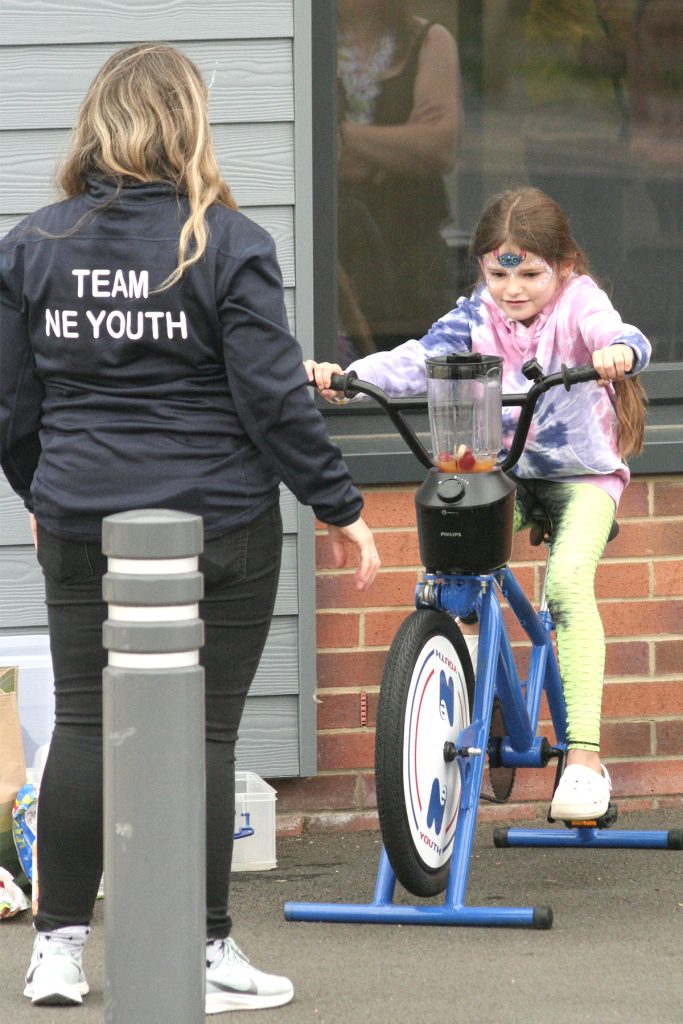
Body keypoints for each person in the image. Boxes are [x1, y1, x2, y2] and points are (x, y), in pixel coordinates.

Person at [0, 44, 380, 1013]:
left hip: (86, 516)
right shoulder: (228, 242)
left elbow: (11, 403)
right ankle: (204, 950)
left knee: (84, 721)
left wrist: (44, 493)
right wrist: (338, 504)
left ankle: (58, 949)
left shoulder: (33, 243)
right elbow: (270, 398)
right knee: (205, 733)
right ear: (188, 125)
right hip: (219, 520)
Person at [307, 185, 651, 823]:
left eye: (529, 272)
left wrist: (619, 352)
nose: (513, 288)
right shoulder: (475, 317)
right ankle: (462, 700)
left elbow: (620, 333)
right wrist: (351, 379)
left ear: (563, 266)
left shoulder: (580, 303)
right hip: (511, 473)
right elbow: (416, 360)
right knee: (454, 564)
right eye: (499, 272)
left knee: (569, 587)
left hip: (585, 478)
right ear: (482, 269)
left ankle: (583, 759)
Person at [336, 0, 462, 353]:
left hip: (414, 255)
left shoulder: (429, 40)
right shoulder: (310, 42)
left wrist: (343, 137)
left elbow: (438, 147)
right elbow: (312, 152)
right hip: (339, 256)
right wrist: (396, 150)